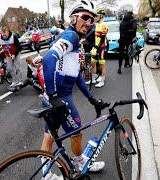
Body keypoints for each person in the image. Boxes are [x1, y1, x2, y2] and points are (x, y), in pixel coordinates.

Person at [41, 0, 107, 175]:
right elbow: (48, 59)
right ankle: (79, 163)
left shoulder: (77, 41)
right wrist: (54, 95)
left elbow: (77, 75)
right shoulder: (71, 36)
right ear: (73, 19)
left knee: (50, 135)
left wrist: (91, 98)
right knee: (76, 132)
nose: (88, 23)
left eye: (92, 19)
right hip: (60, 96)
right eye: (85, 17)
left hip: (55, 97)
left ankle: (46, 173)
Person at [89, 7, 108, 87]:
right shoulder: (97, 25)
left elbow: (102, 38)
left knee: (102, 63)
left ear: (101, 16)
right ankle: (93, 79)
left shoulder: (104, 25)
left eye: (97, 16)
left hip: (102, 47)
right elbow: (96, 38)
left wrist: (96, 47)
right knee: (93, 62)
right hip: (96, 46)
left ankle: (102, 81)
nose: (95, 17)